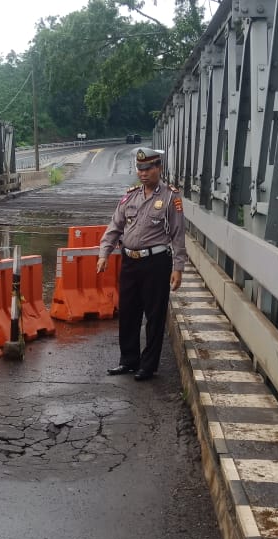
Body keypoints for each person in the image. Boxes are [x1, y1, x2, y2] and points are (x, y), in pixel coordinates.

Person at [96, 147, 185, 381]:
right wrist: (104, 253)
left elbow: (178, 235)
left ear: (158, 168)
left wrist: (178, 268)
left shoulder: (170, 197)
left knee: (154, 315)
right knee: (128, 312)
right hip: (130, 261)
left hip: (156, 263)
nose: (143, 173)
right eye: (140, 169)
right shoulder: (130, 196)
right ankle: (128, 360)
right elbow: (115, 226)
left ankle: (148, 365)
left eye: (148, 168)